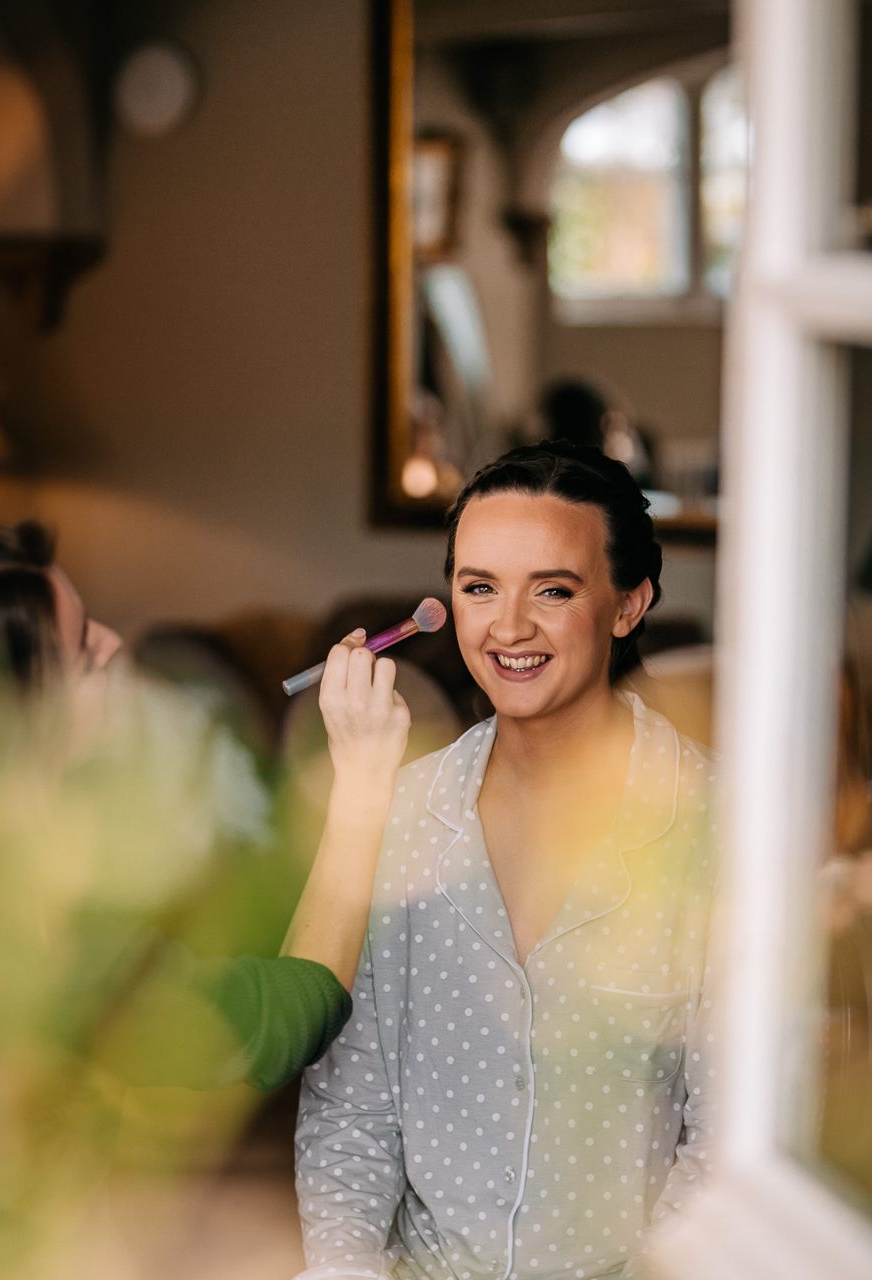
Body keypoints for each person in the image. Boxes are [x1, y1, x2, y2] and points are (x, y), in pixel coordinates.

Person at [294, 441, 717, 1280]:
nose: (508, 627)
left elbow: (731, 1145)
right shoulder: (399, 815)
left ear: (629, 606)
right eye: (479, 587)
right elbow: (352, 1112)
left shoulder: (713, 828)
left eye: (553, 591)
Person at [0, 517, 409, 1090]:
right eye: (83, 652)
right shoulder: (48, 958)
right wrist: (364, 785)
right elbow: (295, 1006)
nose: (114, 643)